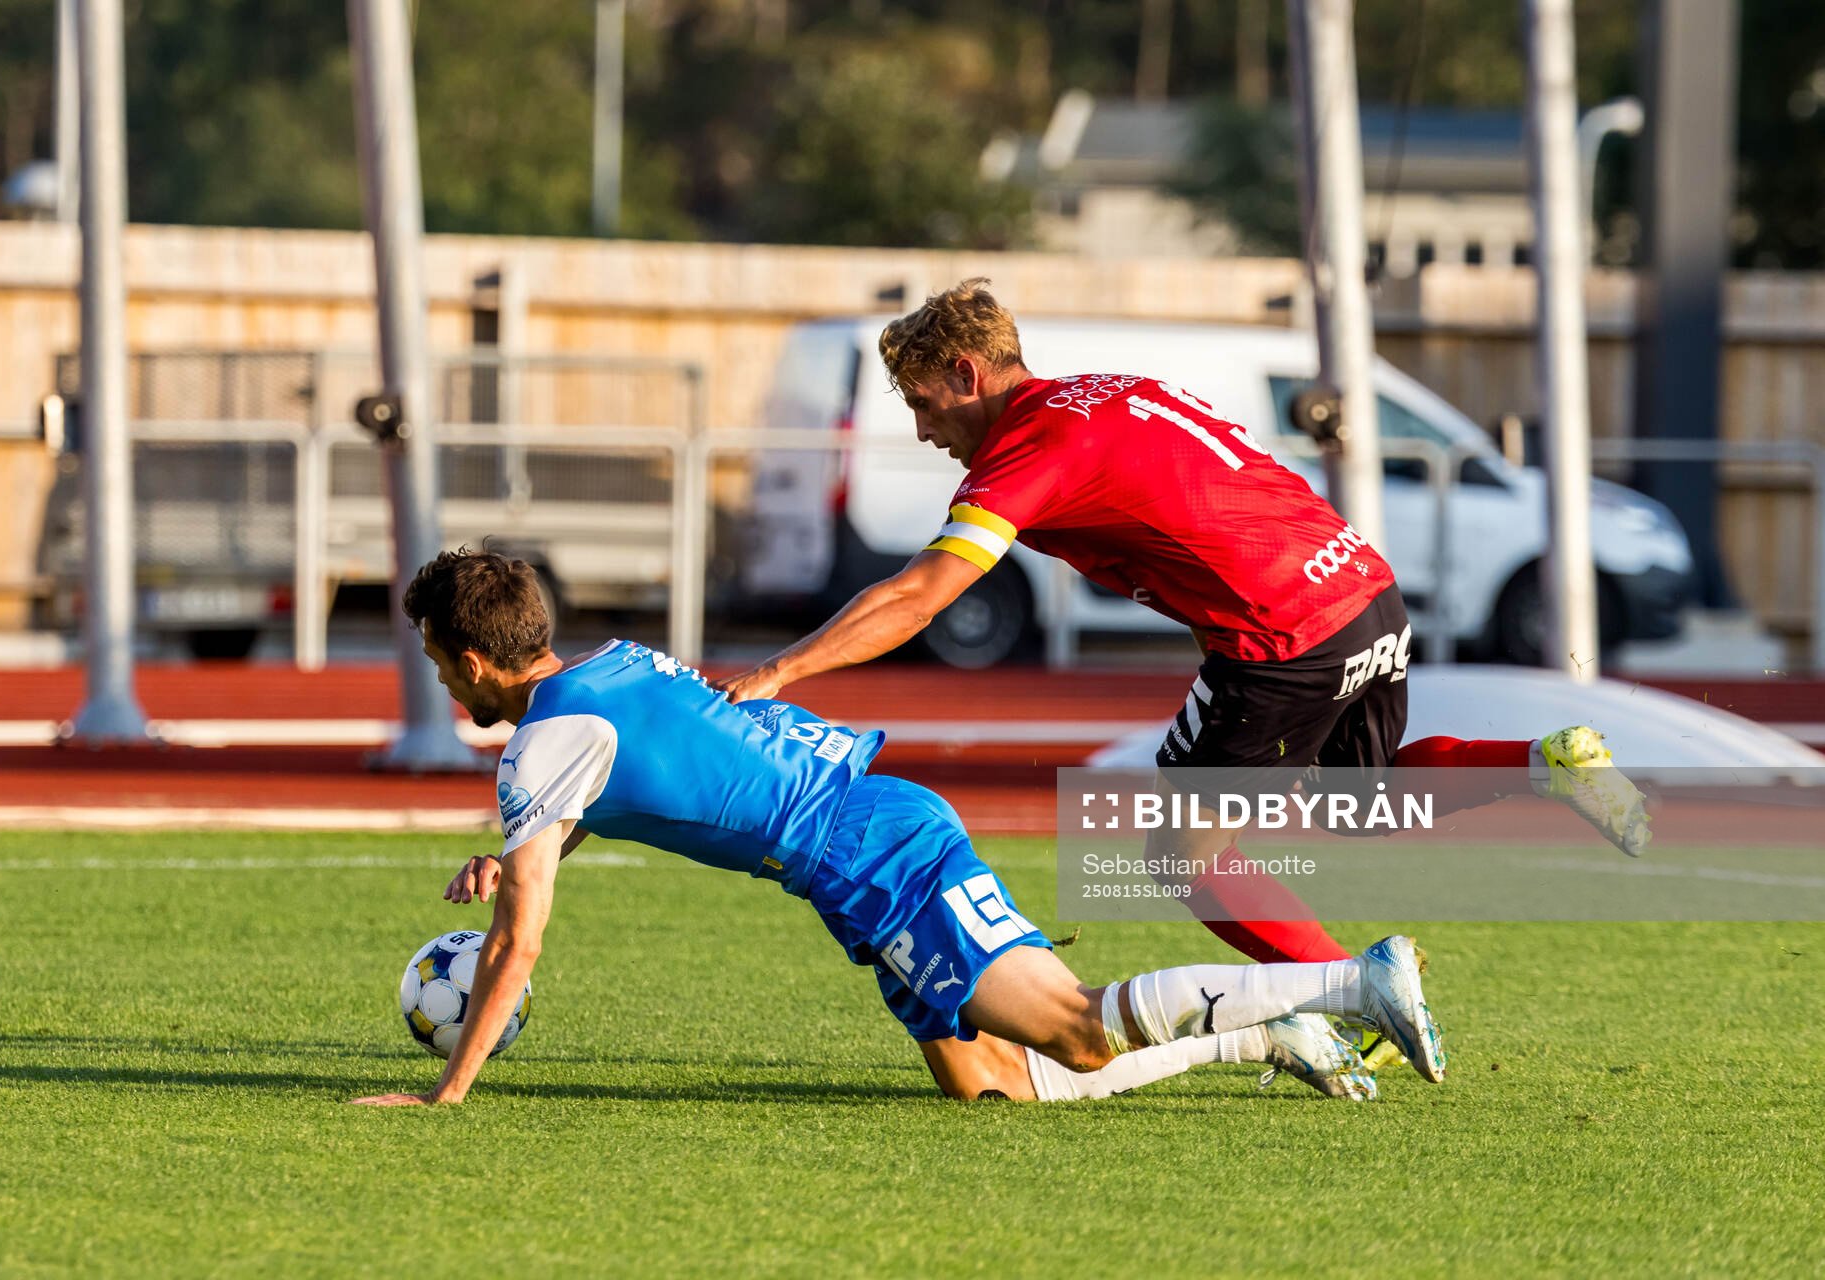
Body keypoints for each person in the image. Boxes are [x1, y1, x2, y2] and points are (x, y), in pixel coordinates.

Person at [718, 278, 1651, 981]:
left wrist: (778, 672)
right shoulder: (1110, 389)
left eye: (923, 403)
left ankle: (1351, 995)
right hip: (1363, 588)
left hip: (1281, 636)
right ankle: (1548, 764)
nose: (925, 431)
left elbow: (920, 594)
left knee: (1180, 856)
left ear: (966, 375)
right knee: (1351, 804)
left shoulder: (1028, 452)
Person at [350, 550, 1447, 1108]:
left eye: (441, 664)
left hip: (867, 850)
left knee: (1072, 1030)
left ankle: (1352, 982)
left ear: (475, 659)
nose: (444, 683)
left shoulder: (540, 744)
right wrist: (521, 848)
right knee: (991, 1085)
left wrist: (450, 1095)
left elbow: (519, 941)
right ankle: (1265, 1034)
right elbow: (618, 776)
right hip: (862, 835)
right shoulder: (611, 666)